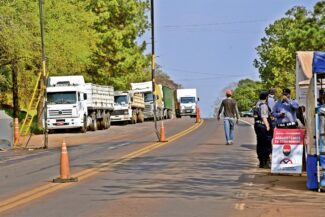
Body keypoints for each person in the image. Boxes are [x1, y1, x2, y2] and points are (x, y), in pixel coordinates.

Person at [254, 91, 273, 168]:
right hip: (262, 125)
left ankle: (261, 161)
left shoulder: (257, 104)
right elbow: (264, 116)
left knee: (260, 143)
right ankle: (265, 161)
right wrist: (268, 126)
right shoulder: (264, 106)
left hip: (257, 125)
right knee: (266, 143)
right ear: (266, 98)